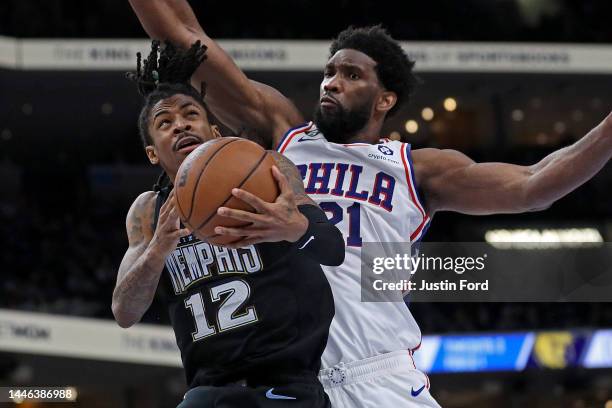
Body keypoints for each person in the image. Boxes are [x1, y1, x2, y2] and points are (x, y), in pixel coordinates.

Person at [128, 1, 612, 406]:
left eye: (351, 74)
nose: (331, 82)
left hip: (379, 372)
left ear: (385, 99)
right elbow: (184, 35)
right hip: (295, 382)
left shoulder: (417, 167)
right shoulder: (283, 135)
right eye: (329, 71)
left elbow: (536, 183)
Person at [111, 40, 345, 408]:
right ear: (153, 153)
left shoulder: (268, 169)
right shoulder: (147, 212)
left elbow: (333, 248)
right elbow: (125, 312)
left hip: (286, 382)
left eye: (191, 114)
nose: (180, 125)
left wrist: (294, 228)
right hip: (210, 390)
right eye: (164, 122)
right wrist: (158, 249)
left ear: (215, 132)